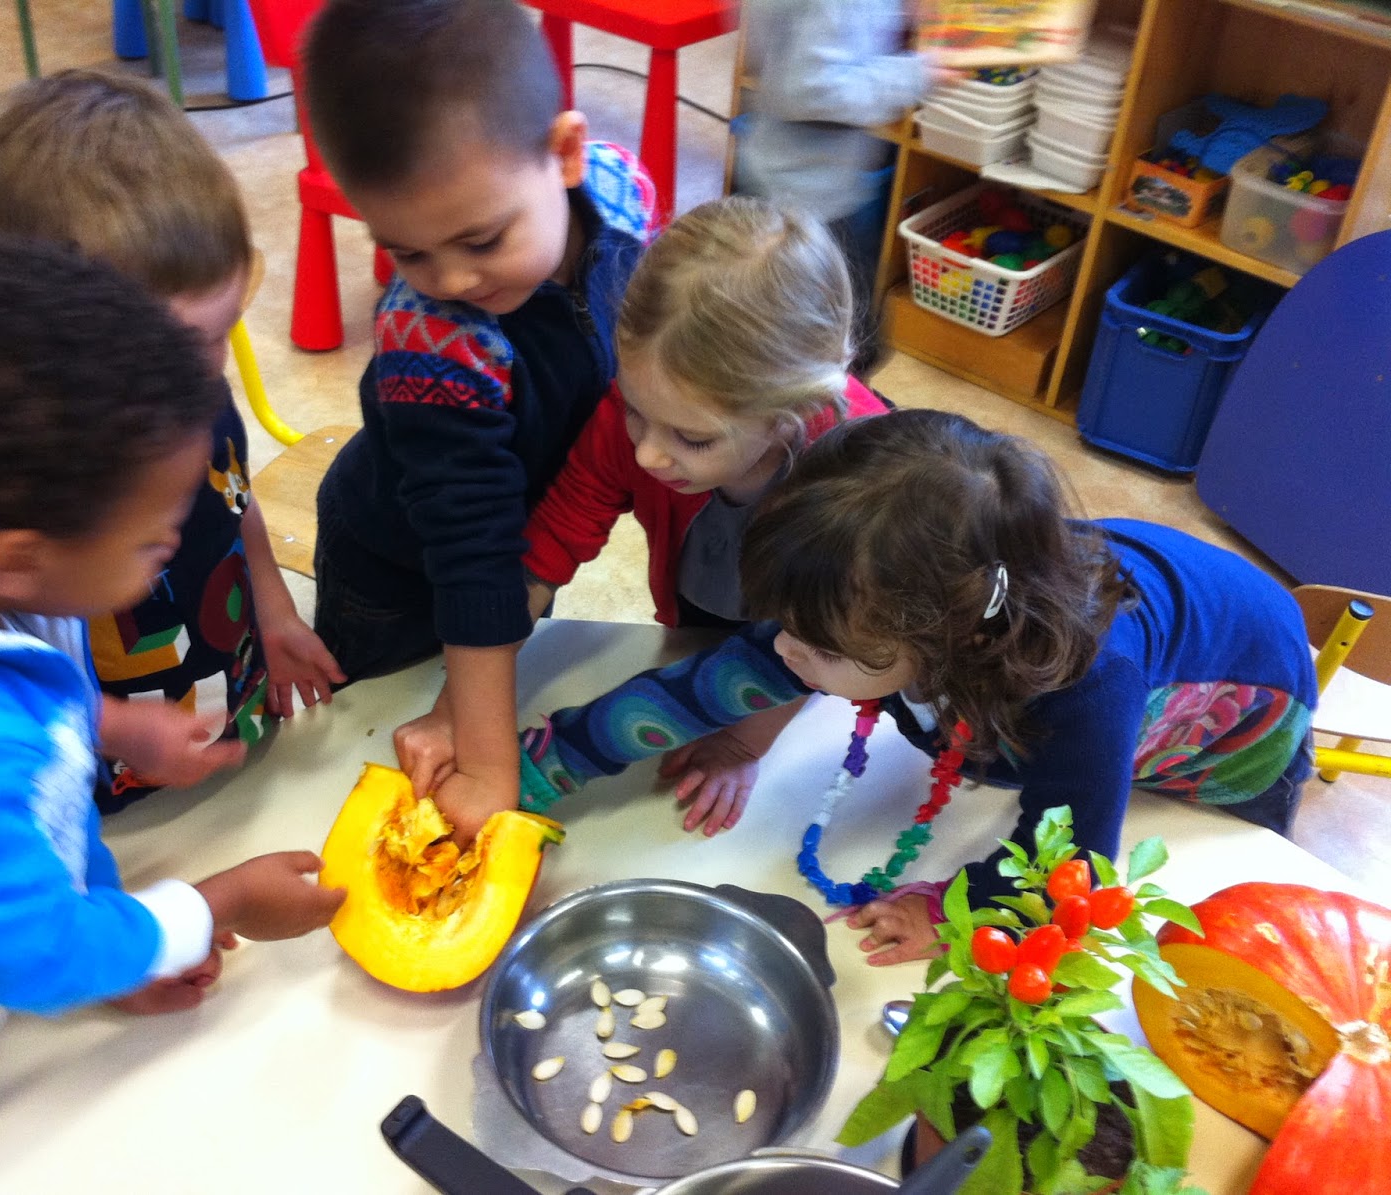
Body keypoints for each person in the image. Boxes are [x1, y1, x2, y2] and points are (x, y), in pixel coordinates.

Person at [0, 246, 345, 1194]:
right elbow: (37, 957)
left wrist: (119, 727)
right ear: (20, 557)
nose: (174, 543)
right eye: (150, 537)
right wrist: (221, 902)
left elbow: (18, 691)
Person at [516, 410, 1316, 967]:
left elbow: (1073, 868)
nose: (785, 651)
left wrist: (953, 908)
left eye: (820, 648)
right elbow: (703, 689)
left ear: (950, 637)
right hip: (1081, 683)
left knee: (1234, 880)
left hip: (1240, 723)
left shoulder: (1087, 687)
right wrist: (546, 764)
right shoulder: (868, 605)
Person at [397, 196, 888, 838]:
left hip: (812, 648)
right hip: (700, 620)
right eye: (633, 408)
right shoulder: (639, 420)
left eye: (693, 439)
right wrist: (456, 712)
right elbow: (541, 556)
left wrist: (745, 746)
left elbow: (824, 639)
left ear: (786, 419)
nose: (647, 452)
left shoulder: (862, 479)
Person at [301, 0, 653, 834]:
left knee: (500, 669)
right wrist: (490, 763)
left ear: (565, 155)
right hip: (395, 568)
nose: (451, 280)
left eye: (482, 240)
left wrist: (472, 712)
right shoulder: (432, 342)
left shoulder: (623, 194)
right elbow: (470, 555)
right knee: (369, 728)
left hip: (527, 542)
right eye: (408, 252)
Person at [0, 70, 344, 813]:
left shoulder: (193, 394)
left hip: (224, 700)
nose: (205, 380)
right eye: (178, 350)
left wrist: (272, 610)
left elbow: (237, 503)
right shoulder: (14, 495)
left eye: (221, 333)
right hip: (110, 781)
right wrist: (110, 733)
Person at [735, 0, 948, 371]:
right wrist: (918, 74)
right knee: (839, 343)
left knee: (814, 332)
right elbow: (811, 90)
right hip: (814, 194)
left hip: (792, 174)